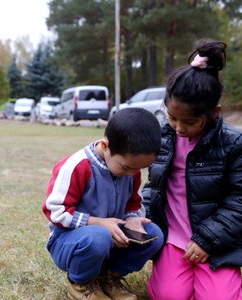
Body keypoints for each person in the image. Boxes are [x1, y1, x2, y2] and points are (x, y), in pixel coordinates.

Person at [143, 39, 242, 300]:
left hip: (217, 240)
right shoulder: (162, 139)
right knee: (168, 296)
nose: (179, 128)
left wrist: (207, 239)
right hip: (173, 238)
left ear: (214, 112)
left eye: (189, 121)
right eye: (172, 117)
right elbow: (153, 188)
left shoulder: (237, 144)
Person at [42, 108, 164, 300]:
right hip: (70, 240)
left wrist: (133, 219)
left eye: (139, 169)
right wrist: (99, 223)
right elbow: (55, 211)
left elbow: (133, 203)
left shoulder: (130, 170)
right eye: (126, 167)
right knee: (98, 237)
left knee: (154, 234)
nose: (133, 174)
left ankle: (108, 276)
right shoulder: (77, 166)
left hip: (109, 236)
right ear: (106, 145)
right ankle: (81, 283)